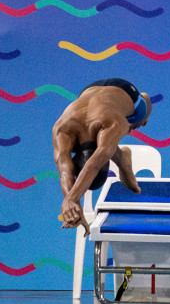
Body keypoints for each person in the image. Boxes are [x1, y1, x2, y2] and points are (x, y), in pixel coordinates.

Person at [52, 78, 153, 230]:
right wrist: (71, 203)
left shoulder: (113, 123)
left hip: (125, 91)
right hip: (88, 90)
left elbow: (93, 165)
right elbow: (65, 172)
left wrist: (71, 199)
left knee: (140, 118)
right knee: (107, 144)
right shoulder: (62, 129)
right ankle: (123, 159)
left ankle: (123, 159)